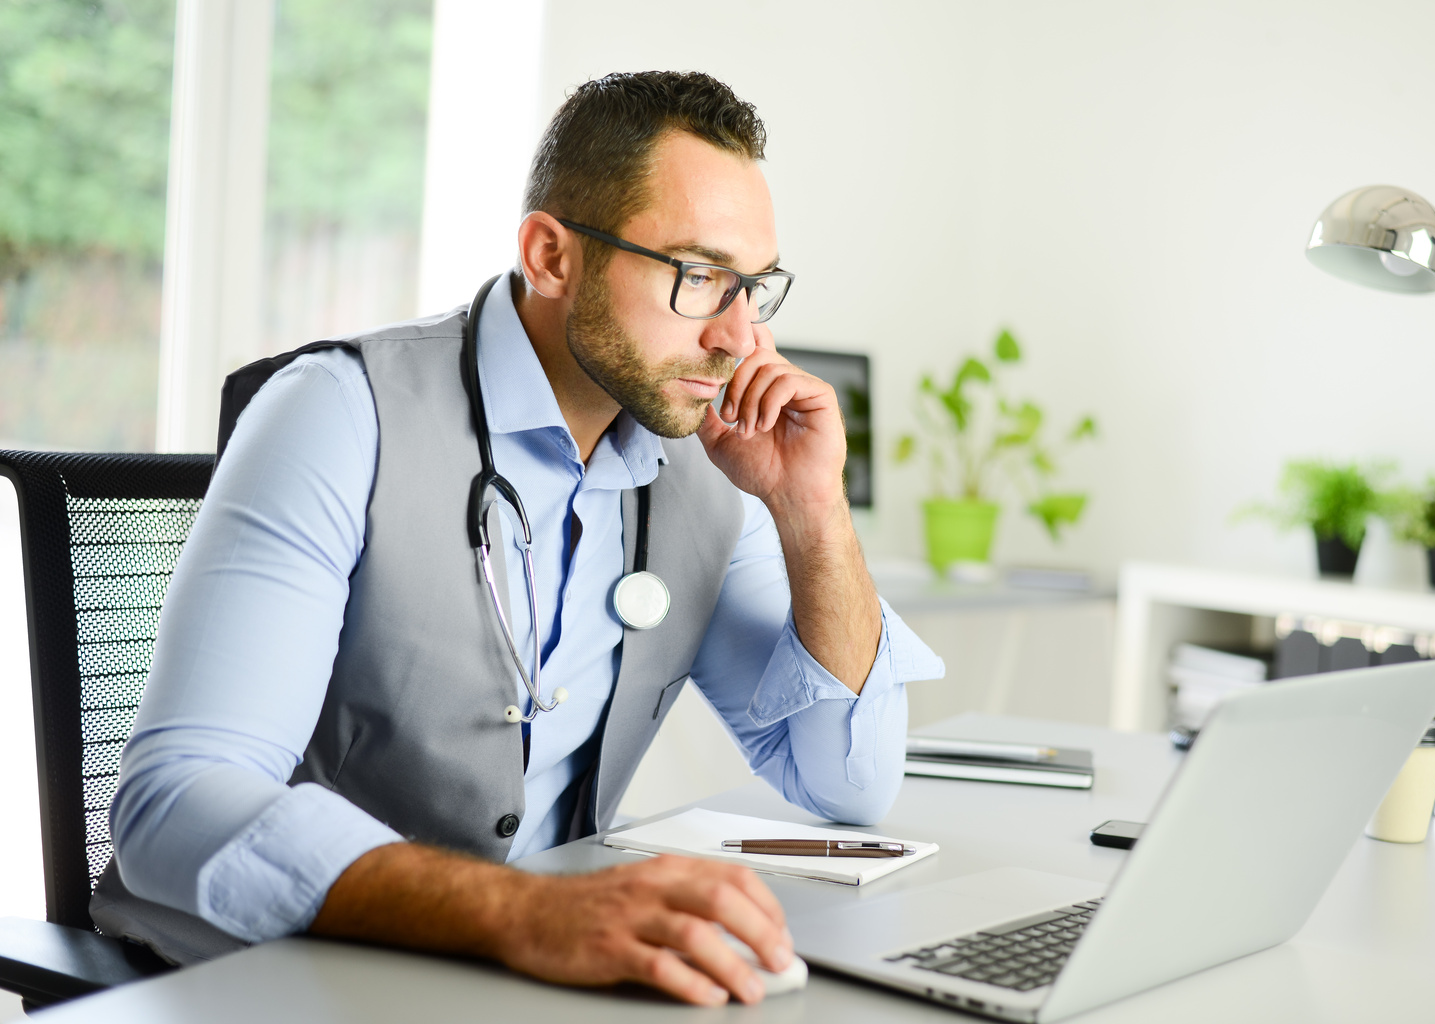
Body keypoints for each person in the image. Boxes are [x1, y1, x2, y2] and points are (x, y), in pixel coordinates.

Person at [92, 71, 942, 1007]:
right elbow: (175, 807)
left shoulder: (702, 471)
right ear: (550, 255)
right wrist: (527, 916)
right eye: (699, 278)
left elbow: (850, 784)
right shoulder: (339, 413)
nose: (740, 338)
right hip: (279, 981)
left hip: (524, 984)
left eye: (754, 287)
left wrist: (812, 512)